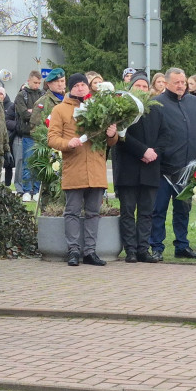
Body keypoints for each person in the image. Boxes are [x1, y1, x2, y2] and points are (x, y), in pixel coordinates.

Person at [48, 73, 119, 266]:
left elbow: (110, 141)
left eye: (83, 85)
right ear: (70, 88)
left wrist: (112, 135)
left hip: (96, 168)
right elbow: (52, 138)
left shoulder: (97, 107)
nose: (81, 88)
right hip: (74, 168)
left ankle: (90, 252)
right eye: (77, 85)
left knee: (93, 212)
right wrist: (67, 142)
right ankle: (73, 251)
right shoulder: (60, 110)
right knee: (72, 211)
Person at [150, 68, 196, 259]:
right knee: (159, 210)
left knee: (183, 210)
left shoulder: (193, 102)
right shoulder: (157, 104)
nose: (181, 85)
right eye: (177, 82)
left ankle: (182, 245)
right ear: (166, 84)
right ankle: (156, 247)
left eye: (183, 82)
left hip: (188, 168)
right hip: (164, 169)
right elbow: (153, 136)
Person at [113, 73, 162, 263]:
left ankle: (143, 248)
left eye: (144, 86)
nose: (141, 89)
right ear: (131, 88)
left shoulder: (157, 110)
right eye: (138, 86)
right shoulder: (123, 109)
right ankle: (130, 250)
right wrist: (142, 151)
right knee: (127, 211)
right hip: (128, 169)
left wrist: (154, 152)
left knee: (146, 212)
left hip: (150, 168)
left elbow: (165, 136)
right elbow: (120, 137)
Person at [13, 70, 44, 199]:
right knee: (27, 163)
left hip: (41, 134)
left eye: (39, 83)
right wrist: (36, 112)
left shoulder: (43, 94)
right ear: (29, 80)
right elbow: (24, 114)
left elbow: (46, 113)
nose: (37, 85)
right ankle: (26, 190)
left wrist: (32, 111)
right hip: (27, 134)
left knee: (38, 164)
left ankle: (36, 190)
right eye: (35, 82)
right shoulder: (21, 95)